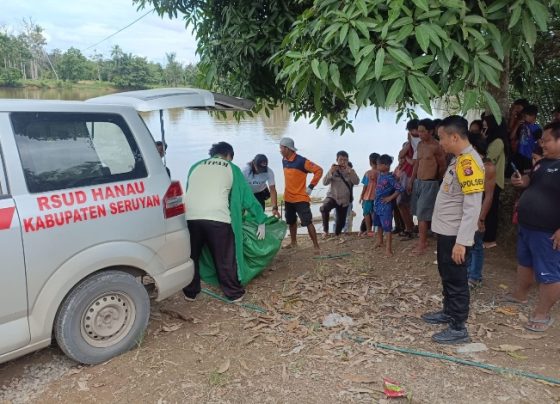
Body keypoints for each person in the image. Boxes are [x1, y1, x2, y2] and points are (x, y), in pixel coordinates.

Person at [421, 115, 484, 344]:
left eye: (442, 138)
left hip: (456, 235)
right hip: (447, 231)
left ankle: (458, 327)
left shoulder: (468, 163)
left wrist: (462, 241)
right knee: (447, 274)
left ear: (455, 136)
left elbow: (472, 205)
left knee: (457, 278)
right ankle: (448, 312)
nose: (441, 143)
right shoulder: (458, 159)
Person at [183, 141, 267, 302]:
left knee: (192, 255)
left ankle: (190, 292)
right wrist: (260, 218)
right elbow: (246, 197)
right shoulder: (231, 168)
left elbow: (190, 190)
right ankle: (233, 293)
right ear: (229, 155)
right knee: (225, 256)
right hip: (217, 218)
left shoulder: (195, 166)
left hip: (191, 217)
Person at [508, 122, 560, 332]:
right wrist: (523, 181)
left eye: (546, 140)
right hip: (528, 225)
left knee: (549, 273)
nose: (541, 143)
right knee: (525, 262)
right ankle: (519, 295)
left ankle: (542, 313)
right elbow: (532, 180)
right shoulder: (544, 162)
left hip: (548, 231)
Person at [408, 118, 447, 255]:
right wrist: (411, 180)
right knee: (418, 212)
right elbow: (417, 164)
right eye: (419, 131)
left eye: (423, 131)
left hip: (430, 183)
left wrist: (437, 179)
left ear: (430, 131)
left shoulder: (436, 147)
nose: (420, 134)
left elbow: (443, 166)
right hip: (419, 181)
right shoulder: (420, 145)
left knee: (423, 215)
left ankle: (422, 244)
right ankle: (422, 239)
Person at [279, 137, 323, 253]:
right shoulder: (284, 160)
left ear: (287, 148)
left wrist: (311, 187)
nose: (280, 150)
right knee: (291, 221)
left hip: (300, 198)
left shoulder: (302, 161)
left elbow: (319, 170)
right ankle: (293, 243)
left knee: (308, 221)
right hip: (288, 198)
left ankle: (316, 246)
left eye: (281, 148)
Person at [466, 133, 496, 289]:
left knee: (476, 243)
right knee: (466, 243)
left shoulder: (488, 167)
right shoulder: (466, 162)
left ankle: (475, 276)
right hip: (465, 210)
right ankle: (467, 272)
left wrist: (481, 218)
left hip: (477, 211)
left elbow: (488, 195)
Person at [481, 114, 507, 249]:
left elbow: (488, 160)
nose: (484, 127)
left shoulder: (498, 142)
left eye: (486, 125)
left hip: (494, 180)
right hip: (488, 179)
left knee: (491, 210)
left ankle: (490, 238)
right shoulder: (492, 140)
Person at [321, 151, 359, 241]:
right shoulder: (333, 170)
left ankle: (337, 235)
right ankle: (325, 231)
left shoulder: (350, 171)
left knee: (340, 224)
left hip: (344, 201)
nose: (343, 162)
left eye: (345, 160)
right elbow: (324, 182)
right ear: (337, 160)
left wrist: (350, 172)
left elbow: (356, 181)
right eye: (340, 160)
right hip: (332, 197)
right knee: (324, 208)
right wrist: (330, 172)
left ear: (348, 160)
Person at [373, 154, 402, 257]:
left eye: (378, 164)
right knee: (378, 224)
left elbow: (399, 188)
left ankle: (388, 249)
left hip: (386, 206)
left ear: (385, 165)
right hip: (377, 204)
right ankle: (380, 241)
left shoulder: (390, 178)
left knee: (387, 227)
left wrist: (390, 198)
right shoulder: (380, 175)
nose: (377, 166)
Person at [396, 121, 418, 241]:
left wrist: (407, 158)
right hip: (405, 175)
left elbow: (414, 162)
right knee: (401, 202)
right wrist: (409, 143)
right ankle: (409, 227)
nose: (411, 133)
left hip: (413, 177)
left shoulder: (421, 144)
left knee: (407, 203)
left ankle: (411, 229)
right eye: (410, 131)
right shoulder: (409, 144)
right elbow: (400, 155)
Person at [511, 104, 542, 173]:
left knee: (526, 174)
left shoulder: (536, 128)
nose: (523, 118)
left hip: (529, 156)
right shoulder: (522, 125)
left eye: (525, 116)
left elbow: (540, 144)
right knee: (516, 173)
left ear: (533, 116)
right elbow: (511, 137)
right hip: (519, 154)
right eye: (523, 116)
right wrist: (517, 125)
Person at [359, 152, 380, 236]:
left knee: (366, 213)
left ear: (370, 162)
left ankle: (369, 230)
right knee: (375, 213)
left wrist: (361, 196)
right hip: (377, 196)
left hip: (367, 196)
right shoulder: (381, 173)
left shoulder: (367, 173)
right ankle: (378, 230)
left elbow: (365, 186)